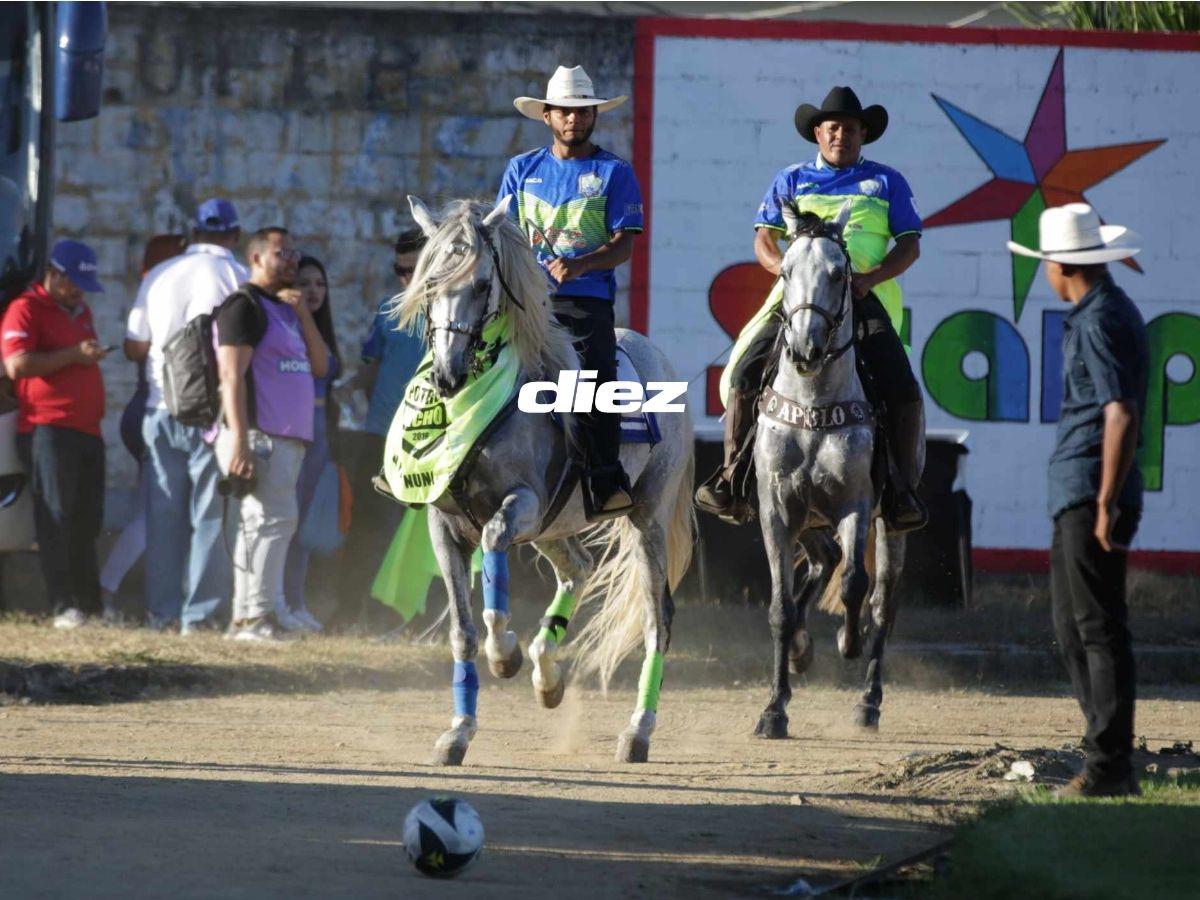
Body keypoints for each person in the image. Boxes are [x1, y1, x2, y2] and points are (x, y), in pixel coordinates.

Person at [695, 86, 927, 531]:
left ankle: (901, 490)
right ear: (818, 133)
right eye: (833, 128)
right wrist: (787, 271)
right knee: (745, 372)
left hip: (861, 297)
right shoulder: (791, 179)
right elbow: (764, 239)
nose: (842, 135)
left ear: (863, 135)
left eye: (851, 129)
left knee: (901, 385)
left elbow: (910, 246)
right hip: (799, 300)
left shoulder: (887, 182)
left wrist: (870, 278)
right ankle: (731, 477)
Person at [1008, 204, 1148, 798]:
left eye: (1047, 263)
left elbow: (1120, 411)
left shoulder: (1100, 318)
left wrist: (1105, 501)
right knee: (1074, 625)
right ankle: (1105, 755)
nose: (1046, 272)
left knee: (1095, 626)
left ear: (1063, 266)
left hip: (1091, 489)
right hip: (1082, 487)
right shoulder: (1104, 311)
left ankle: (1109, 766)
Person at [498, 64, 644, 521]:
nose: (574, 119)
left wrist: (578, 264)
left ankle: (604, 477)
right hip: (523, 300)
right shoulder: (521, 169)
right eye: (564, 111)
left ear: (594, 115)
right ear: (547, 116)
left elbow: (624, 244)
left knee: (596, 378)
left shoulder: (614, 171)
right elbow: (504, 235)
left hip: (584, 300)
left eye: (582, 111)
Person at [124, 200, 244, 633]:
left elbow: (134, 346)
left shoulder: (159, 274)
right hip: (212, 414)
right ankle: (201, 616)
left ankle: (162, 612)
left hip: (159, 408)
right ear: (235, 235)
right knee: (210, 517)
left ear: (194, 232)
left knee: (163, 517)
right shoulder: (238, 276)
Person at [215, 227, 329, 642]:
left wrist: (303, 315)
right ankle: (254, 618)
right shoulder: (242, 306)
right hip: (259, 436)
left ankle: (254, 614)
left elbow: (320, 366)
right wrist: (240, 440)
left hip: (285, 438)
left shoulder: (283, 308)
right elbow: (231, 377)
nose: (292, 260)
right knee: (270, 522)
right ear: (257, 258)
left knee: (268, 524)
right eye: (282, 253)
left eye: (294, 253)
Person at [0, 239, 107, 628]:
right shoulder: (26, 309)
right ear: (54, 274)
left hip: (86, 429)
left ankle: (90, 605)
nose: (79, 291)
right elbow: (17, 365)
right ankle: (63, 605)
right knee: (56, 518)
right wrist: (74, 355)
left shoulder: (80, 311)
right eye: (73, 282)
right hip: (48, 428)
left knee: (86, 520)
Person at [326, 232, 425, 633]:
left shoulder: (457, 312)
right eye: (399, 270)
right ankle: (349, 612)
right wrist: (350, 386)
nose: (406, 278)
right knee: (366, 529)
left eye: (414, 269)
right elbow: (375, 365)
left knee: (416, 538)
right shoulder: (388, 310)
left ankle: (408, 618)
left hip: (430, 444)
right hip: (381, 437)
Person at [100, 235, 188, 624]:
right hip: (153, 413)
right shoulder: (163, 294)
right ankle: (106, 589)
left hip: (144, 411)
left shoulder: (153, 294)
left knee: (150, 513)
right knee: (153, 516)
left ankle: (113, 590)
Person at [280, 255, 340, 632]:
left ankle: (295, 600)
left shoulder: (319, 329)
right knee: (284, 521)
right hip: (294, 430)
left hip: (319, 434)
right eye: (304, 284)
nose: (313, 291)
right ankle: (279, 600)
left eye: (319, 284)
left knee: (303, 524)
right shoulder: (286, 328)